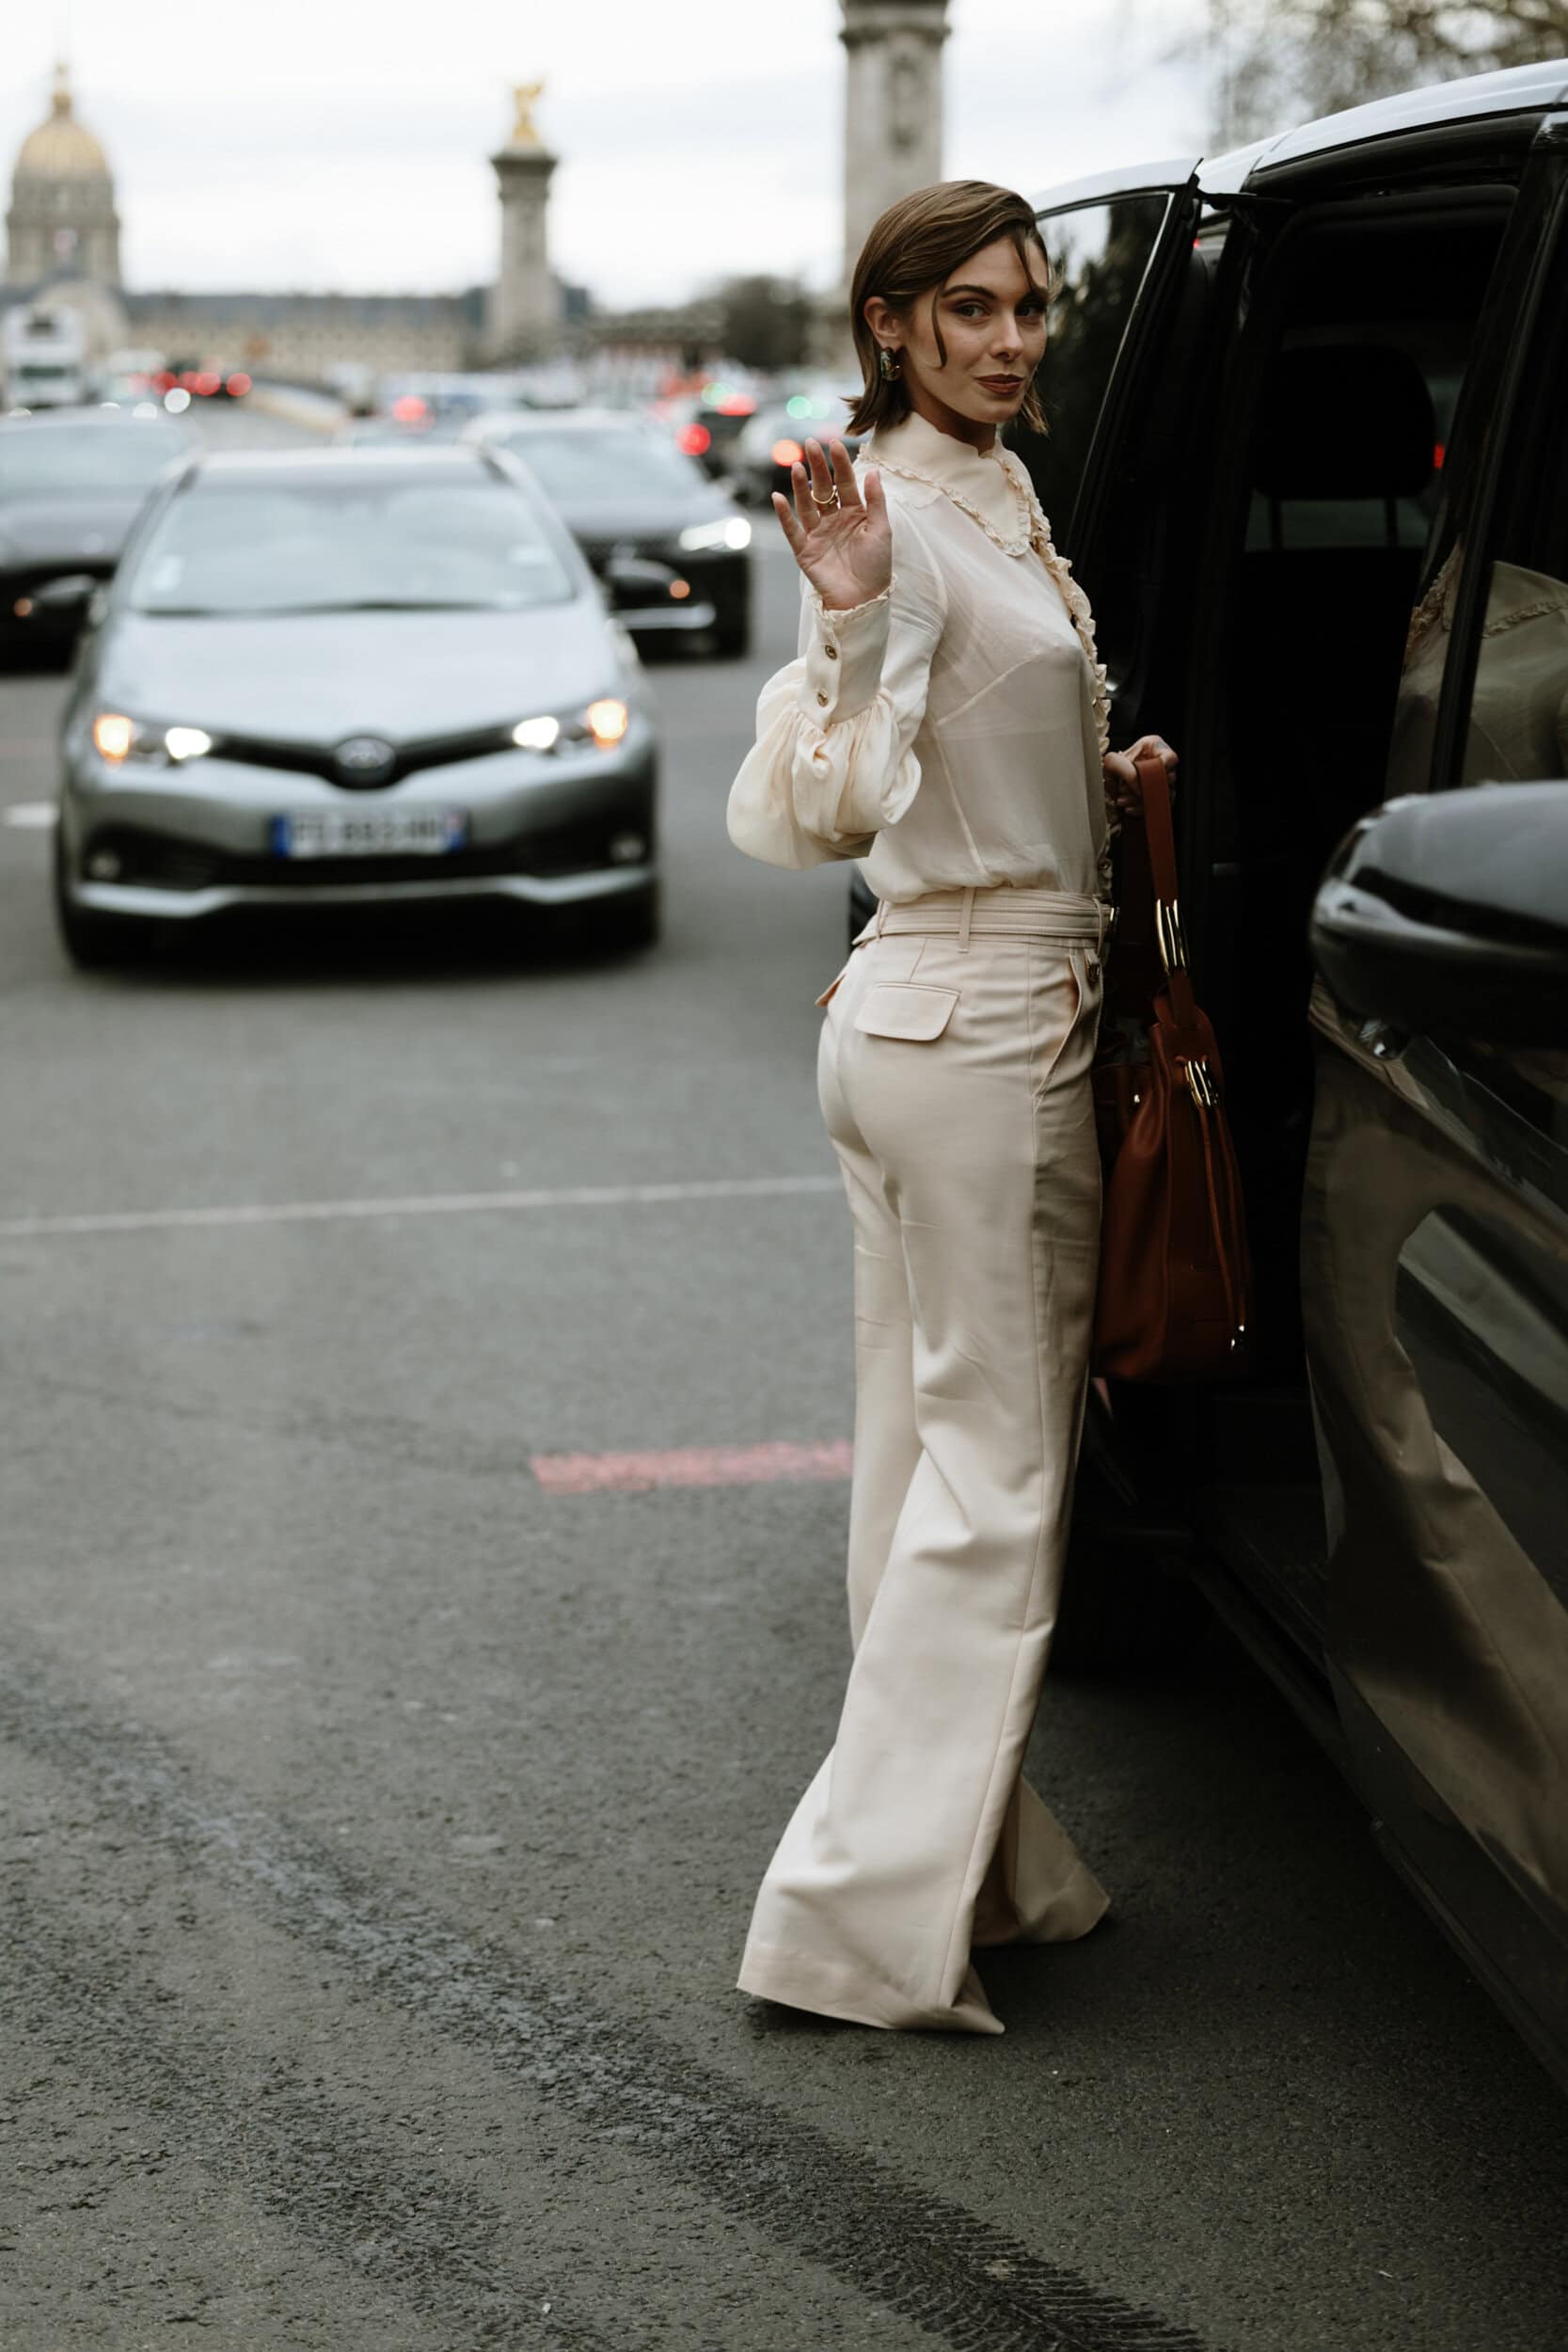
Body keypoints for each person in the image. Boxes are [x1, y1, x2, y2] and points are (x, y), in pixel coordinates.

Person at [724, 180, 1179, 2035]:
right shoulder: (893, 513)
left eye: (1030, 306)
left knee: (926, 1468)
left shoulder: (987, 485)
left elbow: (968, 741)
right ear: (892, 323)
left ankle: (973, 1862)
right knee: (1001, 1484)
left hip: (930, 1021)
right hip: (979, 1032)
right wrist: (843, 622)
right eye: (972, 308)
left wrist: (1097, 770)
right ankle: (851, 1912)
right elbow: (825, 805)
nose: (1010, 336)